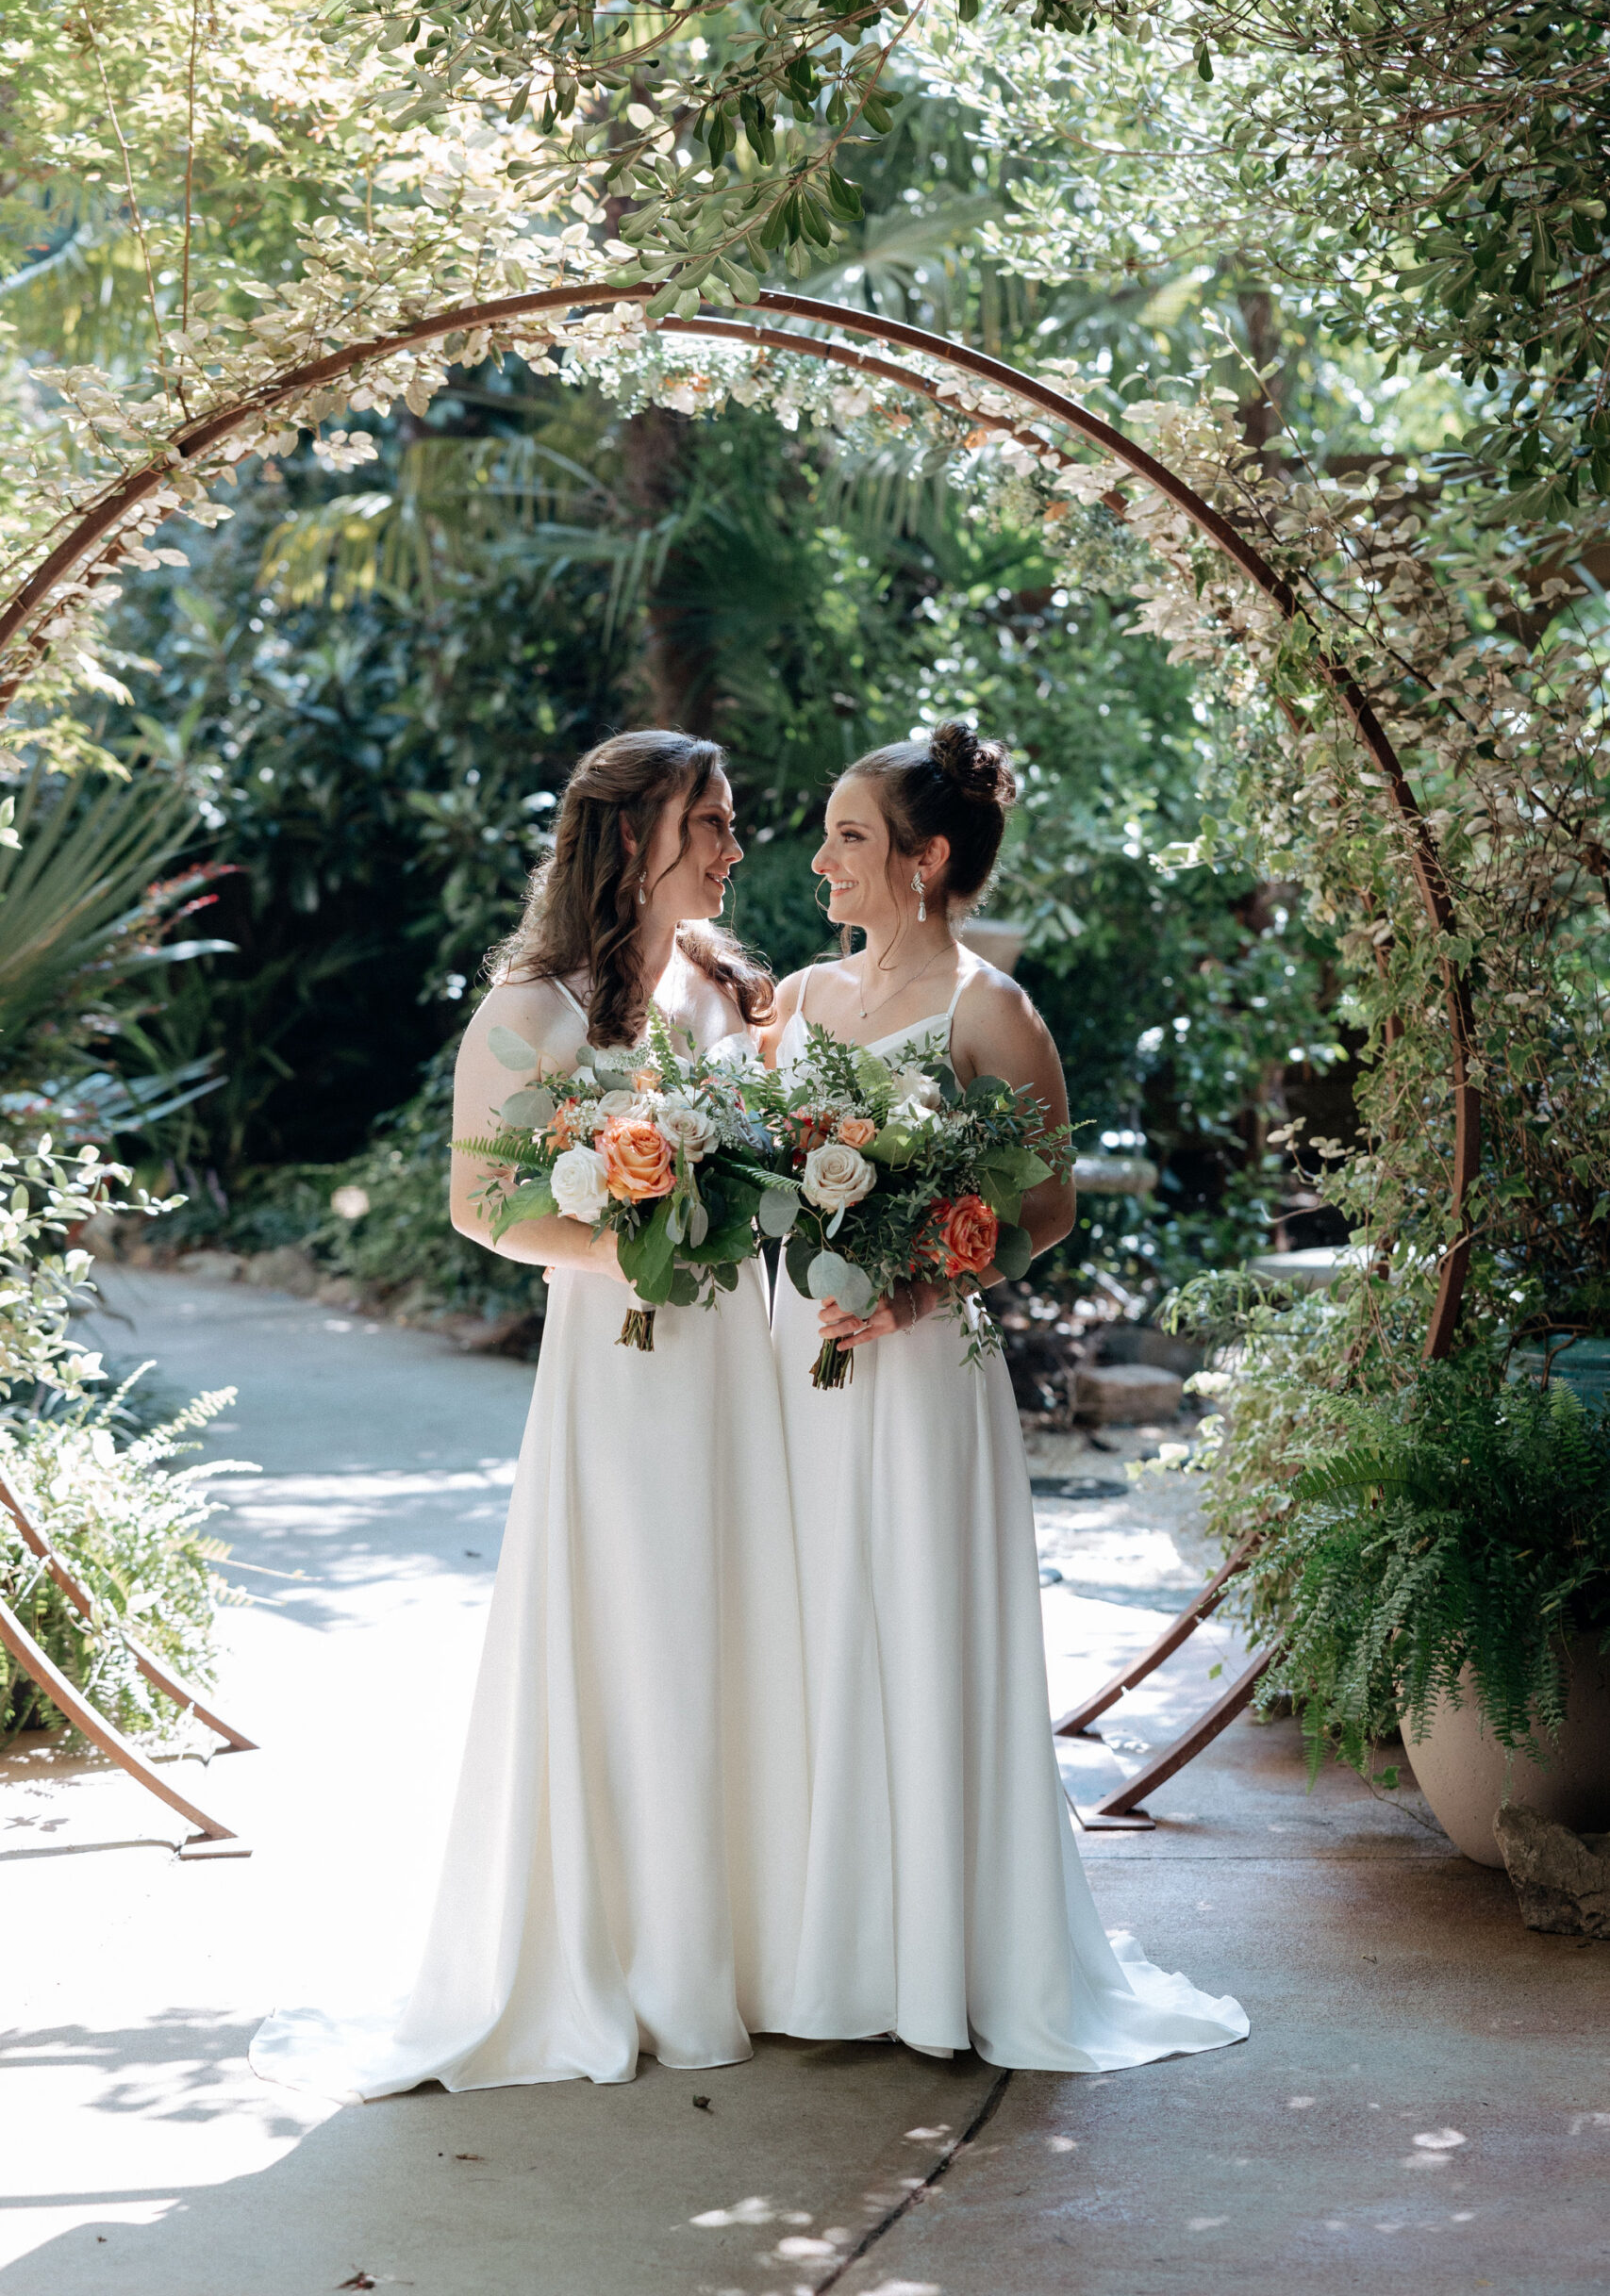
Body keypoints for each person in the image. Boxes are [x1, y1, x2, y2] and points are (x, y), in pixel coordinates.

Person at [252, 730, 809, 2097]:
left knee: (745, 1618)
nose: (739, 848)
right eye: (713, 824)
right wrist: (637, 1236)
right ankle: (632, 1954)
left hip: (745, 1351)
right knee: (642, 1624)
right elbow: (482, 1204)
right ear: (635, 840)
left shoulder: (732, 984)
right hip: (625, 1361)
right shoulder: (536, 1009)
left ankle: (753, 1942)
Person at [764, 719, 1247, 2071]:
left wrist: (918, 1290)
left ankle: (944, 1957)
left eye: (850, 837)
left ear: (926, 858)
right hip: (795, 1362)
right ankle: (825, 1947)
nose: (821, 860)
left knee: (918, 1629)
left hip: (920, 1370)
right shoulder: (796, 1002)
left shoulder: (991, 1010)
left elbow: (1041, 1205)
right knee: (809, 1633)